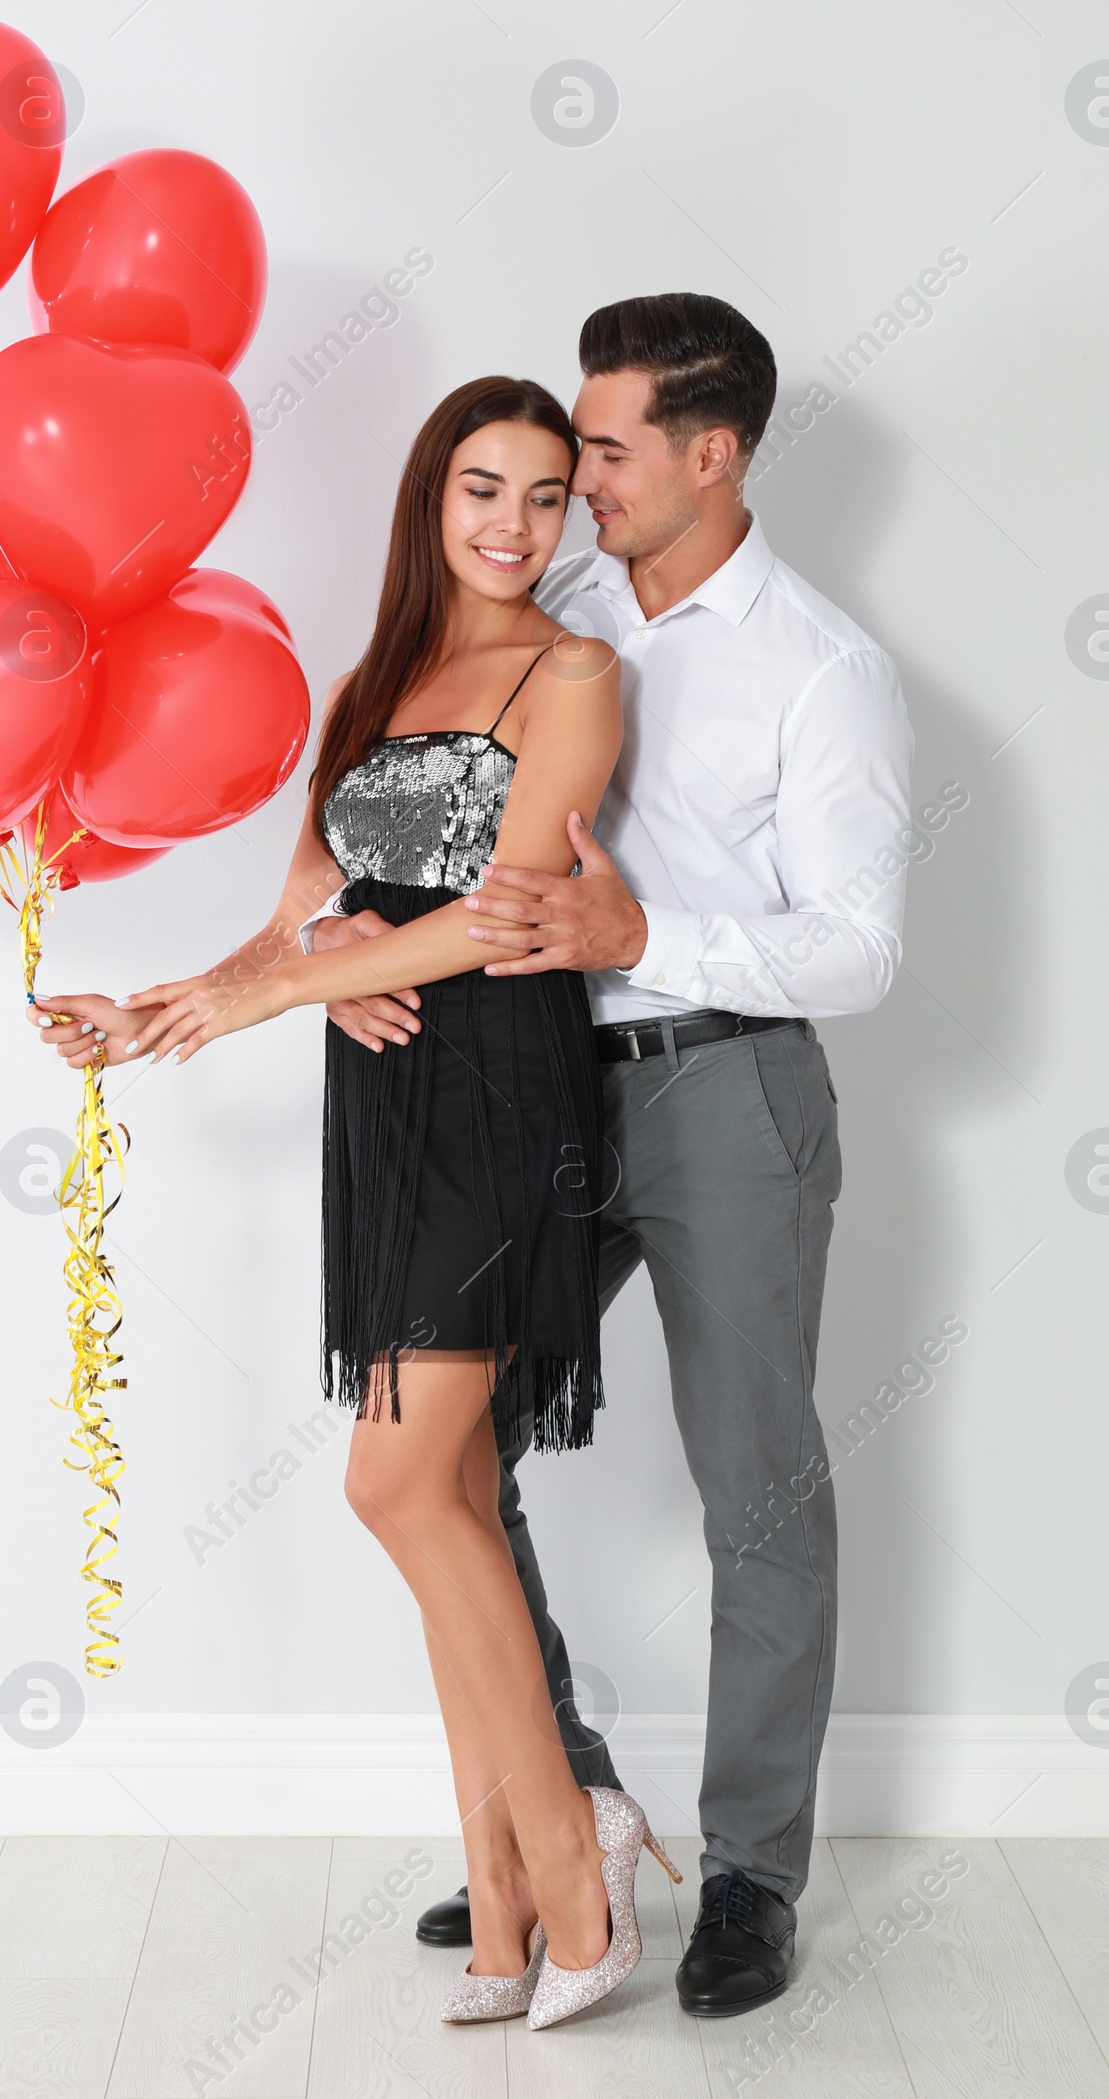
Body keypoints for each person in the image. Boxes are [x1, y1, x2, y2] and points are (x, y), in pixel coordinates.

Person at [33, 375, 681, 2032]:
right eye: (485, 489)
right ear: (430, 497)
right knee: (441, 1491)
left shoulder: (576, 671)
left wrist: (285, 993)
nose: (516, 527)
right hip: (382, 1103)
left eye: (547, 496)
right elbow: (304, 922)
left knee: (397, 1488)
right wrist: (173, 998)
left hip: (502, 1095)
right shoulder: (372, 684)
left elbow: (493, 918)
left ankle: (578, 1867)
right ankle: (503, 1926)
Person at [312, 294, 914, 2018]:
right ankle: (559, 1800)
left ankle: (747, 1878)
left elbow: (864, 952)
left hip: (723, 1089)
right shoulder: (554, 601)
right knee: (441, 1451)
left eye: (607, 448)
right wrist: (340, 952)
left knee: (758, 1493)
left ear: (713, 454)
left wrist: (649, 931)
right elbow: (427, 812)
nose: (572, 479)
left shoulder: (821, 665)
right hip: (528, 1097)